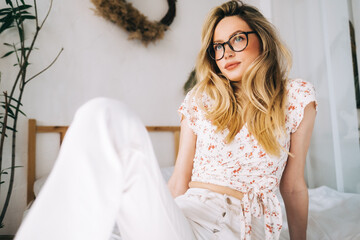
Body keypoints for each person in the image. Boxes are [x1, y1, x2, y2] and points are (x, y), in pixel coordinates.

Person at [15, 1, 317, 240]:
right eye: (218, 46)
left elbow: (292, 186)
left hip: (243, 227)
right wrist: (162, 213)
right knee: (103, 114)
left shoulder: (295, 97)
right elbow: (179, 179)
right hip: (185, 217)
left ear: (261, 40)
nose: (226, 53)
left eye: (237, 39)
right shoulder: (202, 100)